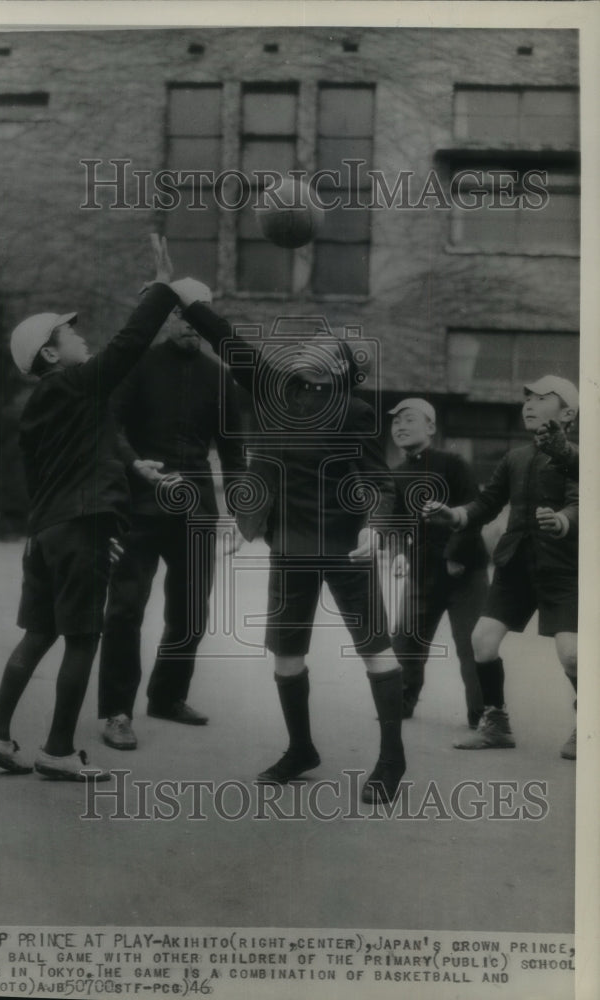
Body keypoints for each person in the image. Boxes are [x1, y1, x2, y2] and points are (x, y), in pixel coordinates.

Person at [167, 276, 407, 804]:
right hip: (290, 546)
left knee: (375, 650)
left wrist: (376, 525)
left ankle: (393, 758)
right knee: (286, 656)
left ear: (341, 367)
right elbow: (232, 345)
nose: (307, 350)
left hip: (345, 548)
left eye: (323, 348)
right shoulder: (277, 390)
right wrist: (190, 302)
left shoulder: (355, 412)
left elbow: (378, 480)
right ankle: (301, 749)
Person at [0, 236, 180, 781]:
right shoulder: (77, 384)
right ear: (48, 353)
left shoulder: (43, 404)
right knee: (84, 638)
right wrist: (162, 289)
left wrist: (133, 466)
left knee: (38, 634)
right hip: (83, 528)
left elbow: (98, 439)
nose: (81, 336)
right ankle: (58, 751)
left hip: (46, 532)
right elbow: (130, 344)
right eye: (70, 333)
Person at [98, 295, 247, 750]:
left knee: (191, 612)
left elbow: (233, 450)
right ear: (166, 321)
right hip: (140, 503)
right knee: (125, 609)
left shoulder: (220, 377)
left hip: (198, 509)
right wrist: (132, 466)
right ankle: (117, 712)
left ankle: (167, 696)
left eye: (198, 320)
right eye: (182, 317)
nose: (191, 327)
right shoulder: (137, 366)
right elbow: (111, 428)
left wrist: (240, 512)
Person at [423, 375, 579, 759]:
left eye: (542, 398)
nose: (528, 403)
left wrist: (561, 520)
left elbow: (583, 501)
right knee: (482, 641)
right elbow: (486, 504)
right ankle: (496, 724)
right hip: (514, 565)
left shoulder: (578, 457)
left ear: (568, 413)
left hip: (564, 568)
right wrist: (454, 514)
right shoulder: (515, 458)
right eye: (526, 398)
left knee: (572, 654)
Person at [388, 398, 489, 727]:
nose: (399, 426)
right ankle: (403, 701)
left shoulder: (453, 463)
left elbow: (473, 511)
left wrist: (455, 556)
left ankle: (482, 715)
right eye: (395, 422)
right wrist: (399, 554)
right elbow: (395, 524)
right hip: (421, 573)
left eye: (408, 419)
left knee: (471, 645)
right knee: (406, 639)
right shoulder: (397, 474)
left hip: (464, 571)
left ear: (430, 427)